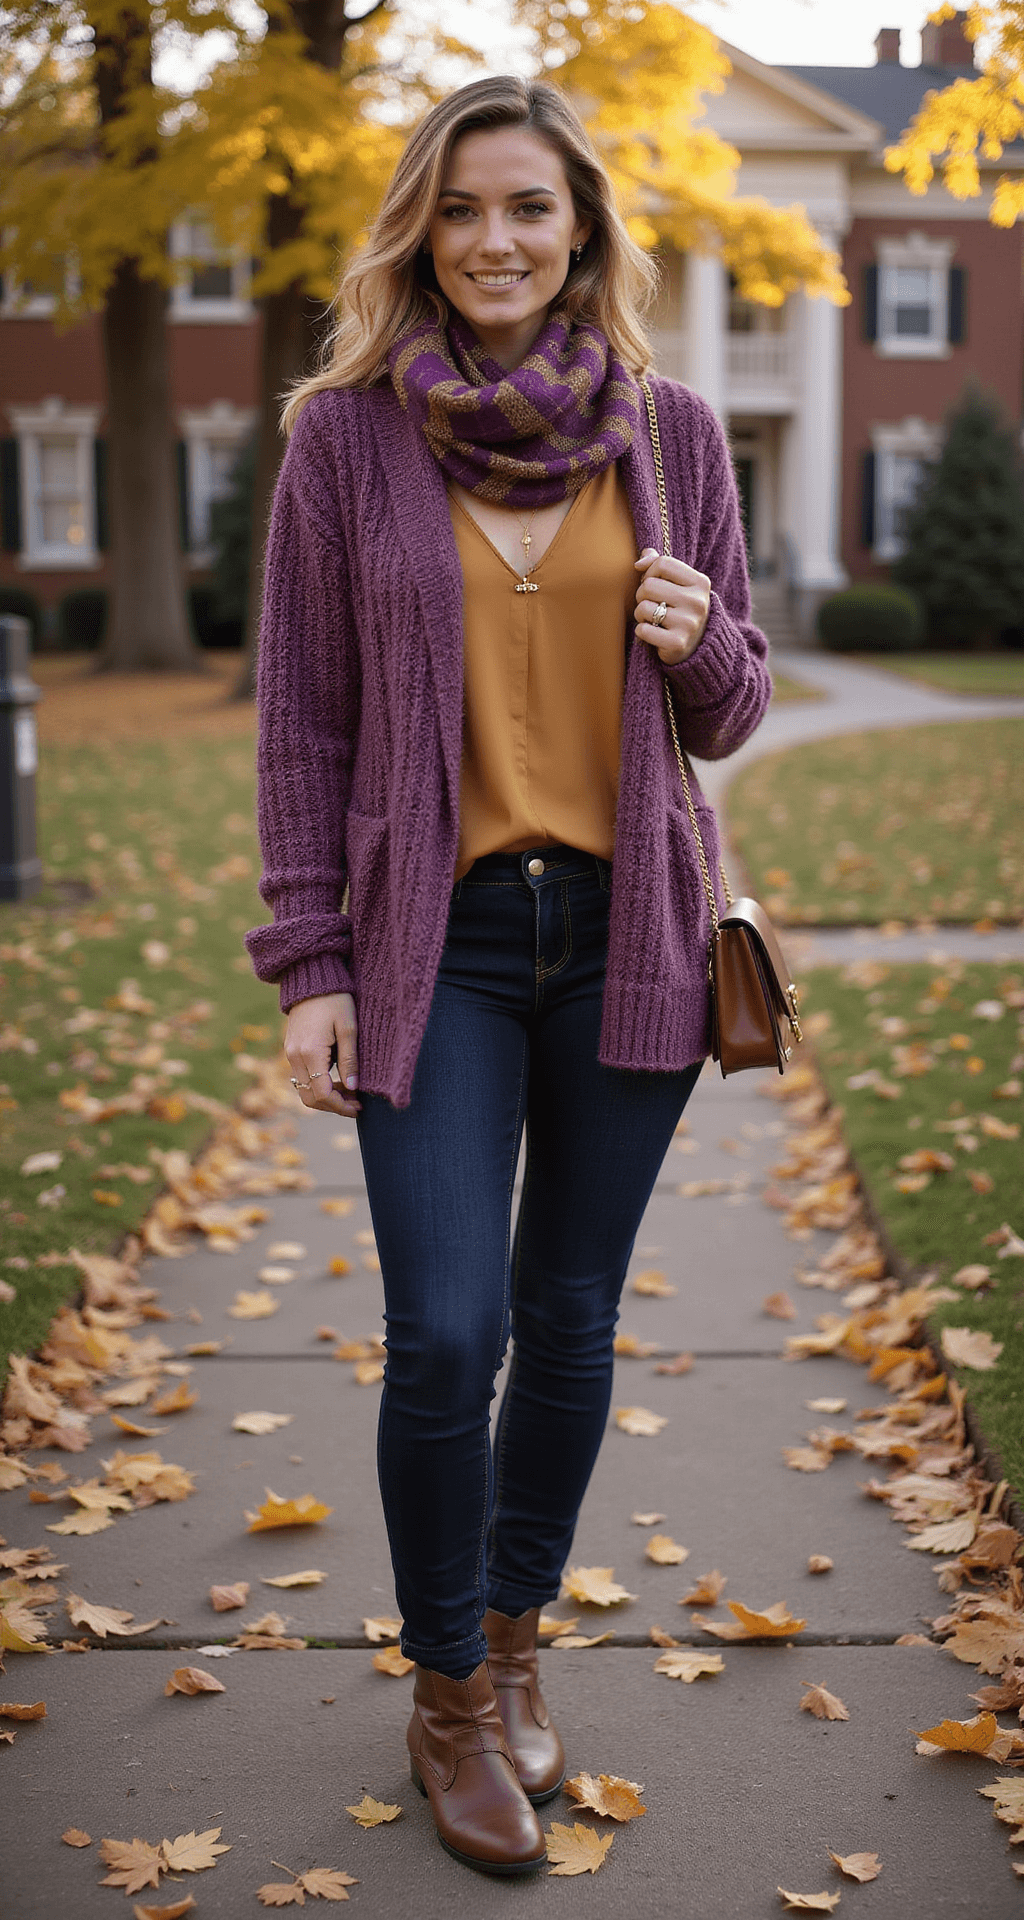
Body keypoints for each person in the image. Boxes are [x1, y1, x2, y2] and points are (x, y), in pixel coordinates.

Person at [246, 73, 771, 1878]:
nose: (494, 241)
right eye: (463, 208)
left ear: (582, 232)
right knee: (445, 1332)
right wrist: (309, 959)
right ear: (423, 225)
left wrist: (706, 648)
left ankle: (524, 1641)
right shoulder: (343, 440)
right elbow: (303, 726)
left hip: (627, 933)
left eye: (529, 208)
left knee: (566, 1325)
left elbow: (740, 703)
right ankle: (450, 1692)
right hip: (438, 949)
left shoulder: (674, 432)